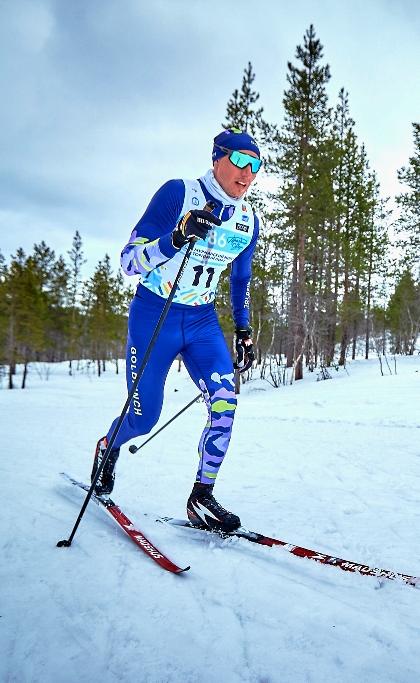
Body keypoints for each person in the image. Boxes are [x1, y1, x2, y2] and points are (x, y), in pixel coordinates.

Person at [92, 127, 262, 533]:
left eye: (255, 166)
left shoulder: (248, 220)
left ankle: (201, 499)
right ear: (217, 158)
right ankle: (107, 447)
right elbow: (128, 262)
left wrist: (243, 329)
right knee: (144, 416)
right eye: (240, 161)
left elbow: (240, 280)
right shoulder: (178, 193)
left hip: (201, 320)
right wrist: (175, 238)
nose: (247, 174)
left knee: (225, 401)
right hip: (155, 314)